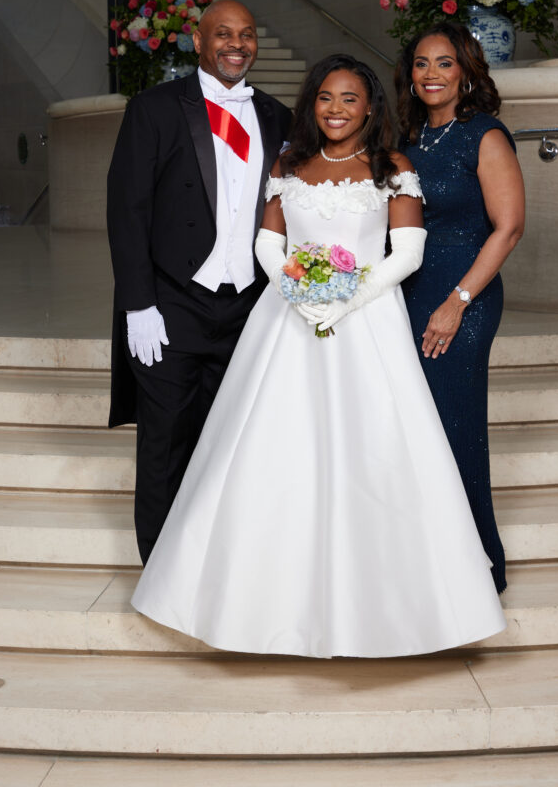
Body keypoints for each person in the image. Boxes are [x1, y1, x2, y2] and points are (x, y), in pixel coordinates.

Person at [131, 54, 506, 658]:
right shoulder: (290, 162)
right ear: (312, 105)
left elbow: (408, 252)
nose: (336, 109)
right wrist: (297, 293)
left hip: (367, 322)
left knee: (376, 453)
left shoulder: (393, 167)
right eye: (326, 98)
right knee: (269, 451)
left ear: (371, 107)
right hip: (287, 321)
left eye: (350, 99)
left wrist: (346, 298)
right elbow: (268, 240)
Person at [106, 0, 292, 564]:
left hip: (247, 307)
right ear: (198, 40)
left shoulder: (278, 117)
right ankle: (160, 565)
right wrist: (139, 304)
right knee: (165, 441)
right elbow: (127, 209)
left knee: (229, 440)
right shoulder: (155, 108)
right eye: (223, 34)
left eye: (247, 34)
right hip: (172, 304)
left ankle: (212, 564)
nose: (237, 44)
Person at [396, 22, 525, 594]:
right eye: (421, 63)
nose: (431, 74)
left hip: (463, 297)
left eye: (444, 63)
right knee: (412, 428)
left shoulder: (485, 135)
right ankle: (422, 556)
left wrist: (456, 302)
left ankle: (476, 566)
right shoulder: (408, 136)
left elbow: (509, 227)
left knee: (455, 425)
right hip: (408, 293)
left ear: (466, 70)